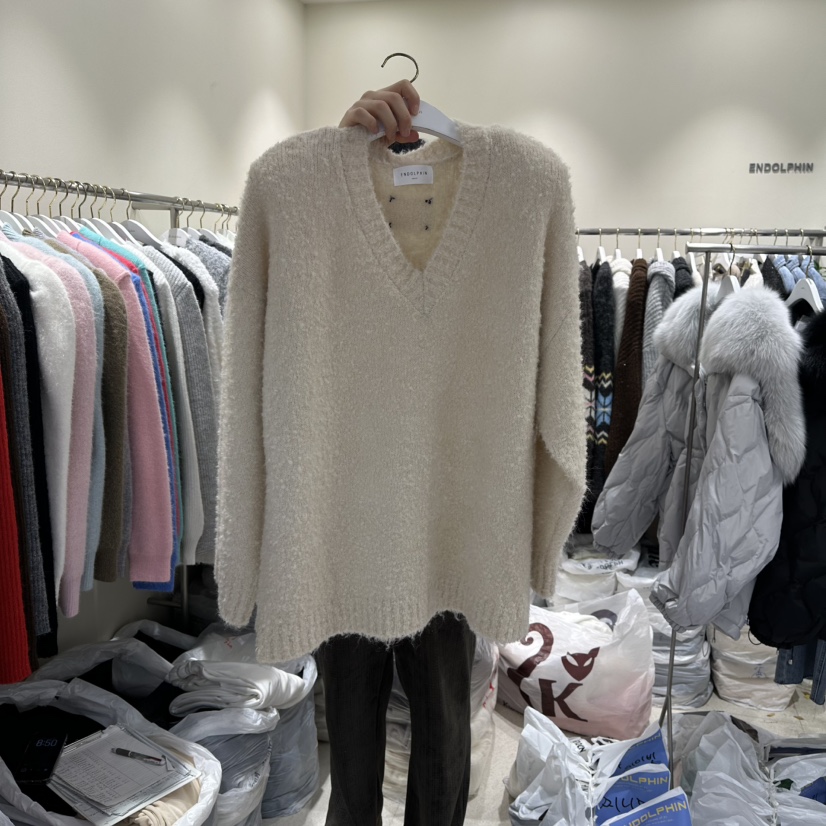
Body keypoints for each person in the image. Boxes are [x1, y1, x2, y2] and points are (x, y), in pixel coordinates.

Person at [315, 80, 477, 826]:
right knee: (351, 723)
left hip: (444, 511)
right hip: (347, 510)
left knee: (442, 722)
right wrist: (337, 157)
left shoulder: (479, 219)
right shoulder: (325, 215)